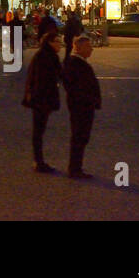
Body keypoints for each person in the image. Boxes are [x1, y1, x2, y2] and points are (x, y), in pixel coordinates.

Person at [22, 26, 62, 173]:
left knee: (39, 131)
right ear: (50, 42)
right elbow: (42, 79)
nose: (60, 44)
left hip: (40, 98)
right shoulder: (46, 57)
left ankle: (38, 161)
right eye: (57, 41)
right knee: (38, 131)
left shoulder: (45, 55)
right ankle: (38, 162)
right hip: (41, 99)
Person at [61, 35, 101, 179]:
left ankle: (76, 167)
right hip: (81, 107)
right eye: (88, 46)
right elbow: (74, 87)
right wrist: (87, 100)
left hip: (82, 105)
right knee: (79, 136)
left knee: (81, 136)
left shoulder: (77, 62)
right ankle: (75, 168)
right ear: (79, 47)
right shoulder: (75, 63)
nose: (91, 49)